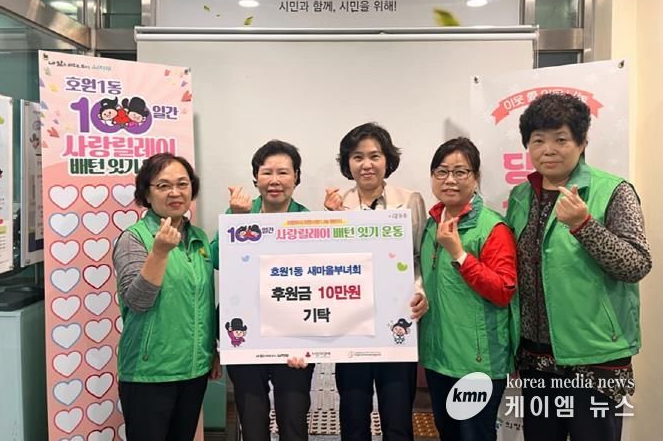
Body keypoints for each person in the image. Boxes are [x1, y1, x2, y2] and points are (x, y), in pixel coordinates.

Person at [506, 93, 652, 441]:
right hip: (536, 357)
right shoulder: (521, 196)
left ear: (582, 142)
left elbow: (637, 264)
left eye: (561, 139)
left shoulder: (612, 190)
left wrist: (584, 225)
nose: (548, 150)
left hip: (594, 356)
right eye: (538, 140)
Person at [324, 122, 427, 441]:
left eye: (374, 156)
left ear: (387, 160)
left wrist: (419, 292)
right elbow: (326, 265)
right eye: (357, 157)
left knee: (397, 417)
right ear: (347, 163)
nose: (366, 164)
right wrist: (331, 220)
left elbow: (419, 256)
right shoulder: (335, 204)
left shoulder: (409, 200)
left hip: (397, 321)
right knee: (353, 416)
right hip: (351, 326)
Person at [212, 139, 314, 441]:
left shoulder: (309, 220)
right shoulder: (239, 214)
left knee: (294, 420)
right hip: (245, 333)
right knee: (252, 420)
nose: (275, 180)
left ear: (296, 177)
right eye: (267, 172)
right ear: (255, 178)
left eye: (283, 172)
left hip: (294, 335)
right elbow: (216, 260)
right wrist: (236, 221)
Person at [113, 153, 219, 441]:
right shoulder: (134, 238)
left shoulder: (198, 237)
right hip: (150, 372)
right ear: (146, 194)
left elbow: (201, 301)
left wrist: (211, 349)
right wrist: (159, 253)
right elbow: (137, 302)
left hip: (194, 370)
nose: (175, 192)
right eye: (163, 185)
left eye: (182, 184)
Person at [419, 137, 517, 441]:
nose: (450, 180)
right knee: (447, 434)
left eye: (460, 172)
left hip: (476, 363)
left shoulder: (492, 227)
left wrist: (459, 254)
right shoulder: (431, 223)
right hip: (438, 357)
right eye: (441, 171)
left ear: (475, 178)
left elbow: (503, 290)